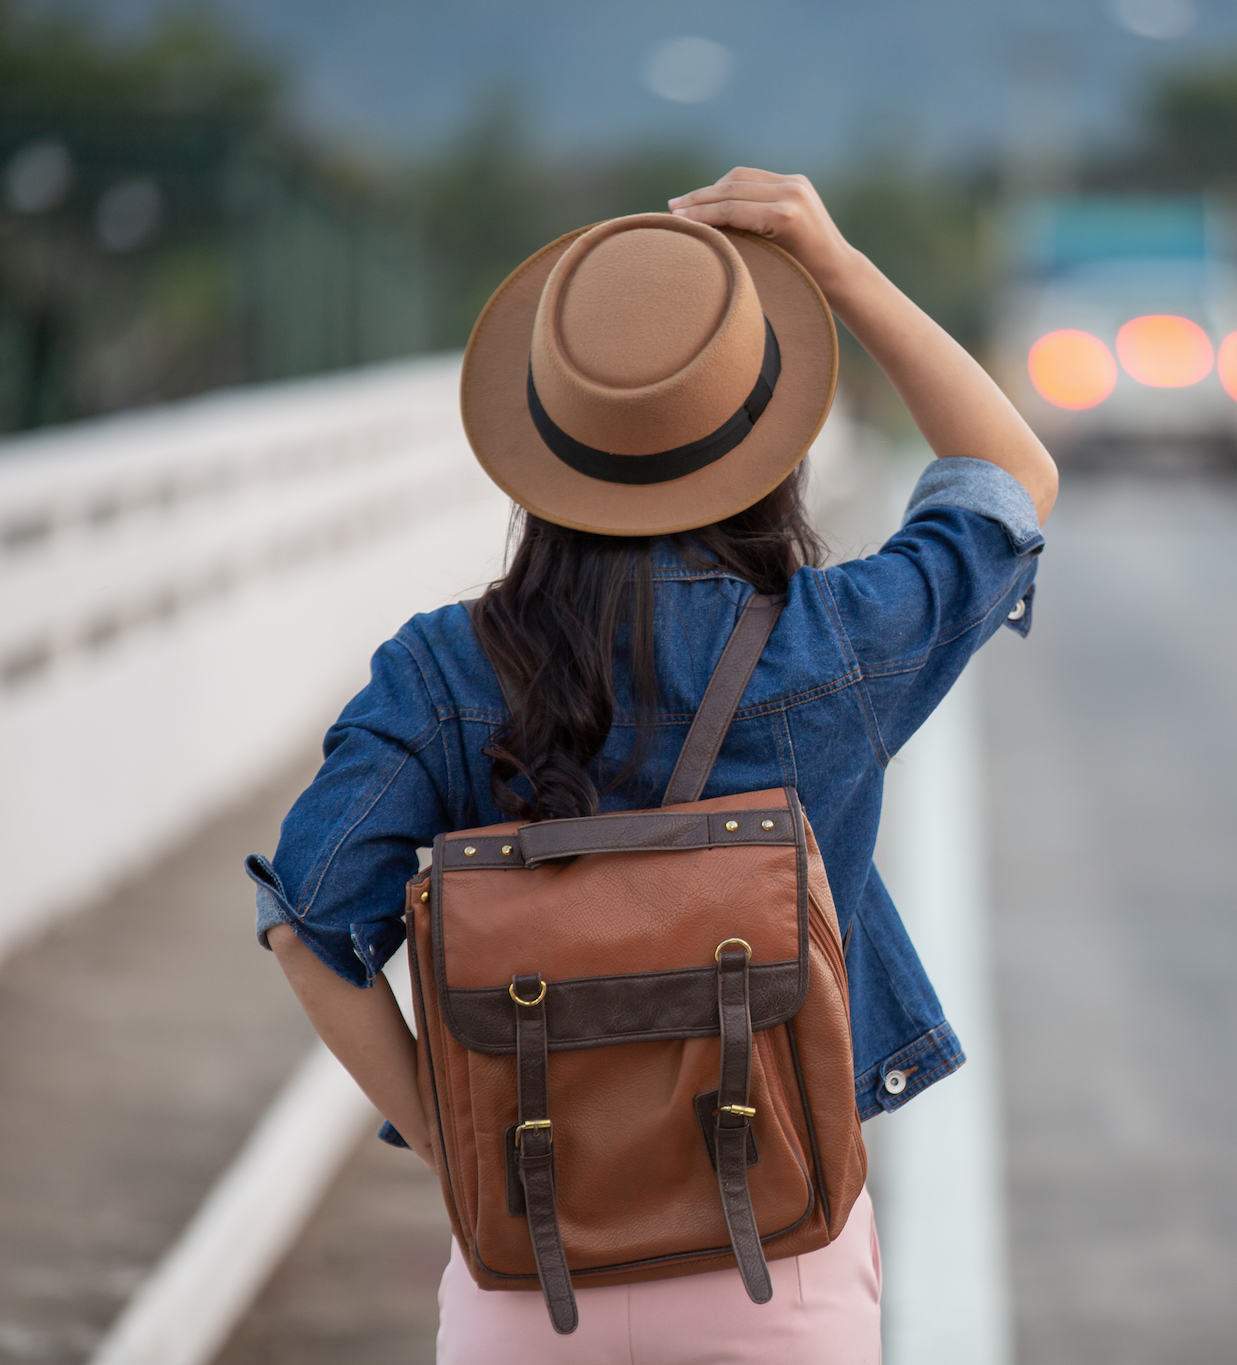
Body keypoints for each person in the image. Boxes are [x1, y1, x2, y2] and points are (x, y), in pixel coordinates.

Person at [246, 169, 1058, 1363]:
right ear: (767, 435)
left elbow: (307, 923)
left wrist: (457, 1149)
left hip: (528, 1265)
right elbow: (1008, 478)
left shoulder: (439, 670)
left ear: (543, 437)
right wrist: (835, 265)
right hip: (775, 1259)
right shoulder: (834, 642)